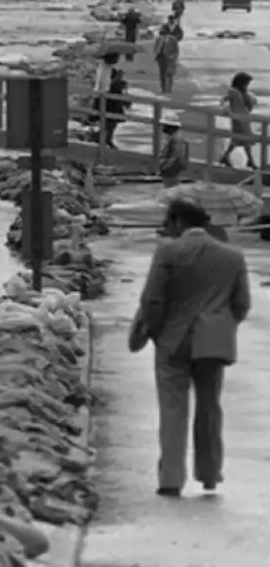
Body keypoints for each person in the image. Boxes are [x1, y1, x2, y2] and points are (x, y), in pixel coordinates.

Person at [131, 199, 251, 497]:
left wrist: (157, 331)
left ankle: (171, 478)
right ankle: (210, 473)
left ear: (177, 222)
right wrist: (222, 325)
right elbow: (241, 304)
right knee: (210, 407)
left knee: (173, 408)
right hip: (212, 341)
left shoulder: (168, 252)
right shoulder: (232, 256)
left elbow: (152, 300)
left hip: (173, 339)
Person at [218, 72, 258, 169]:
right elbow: (224, 100)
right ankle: (250, 161)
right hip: (237, 118)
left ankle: (225, 157)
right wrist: (227, 110)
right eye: (246, 83)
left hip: (244, 118)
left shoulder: (244, 92)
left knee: (239, 140)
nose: (247, 85)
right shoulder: (233, 91)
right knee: (244, 138)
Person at [158, 116, 189, 187]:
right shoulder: (174, 137)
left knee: (171, 189)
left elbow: (176, 156)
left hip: (172, 171)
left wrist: (165, 167)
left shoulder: (176, 139)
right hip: (172, 170)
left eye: (165, 125)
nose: (163, 127)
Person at [154, 20, 181, 94]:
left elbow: (176, 50)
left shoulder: (173, 39)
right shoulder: (159, 39)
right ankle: (163, 88)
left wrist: (173, 57)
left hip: (169, 58)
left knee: (169, 74)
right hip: (161, 58)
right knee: (162, 73)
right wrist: (157, 54)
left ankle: (169, 88)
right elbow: (156, 48)